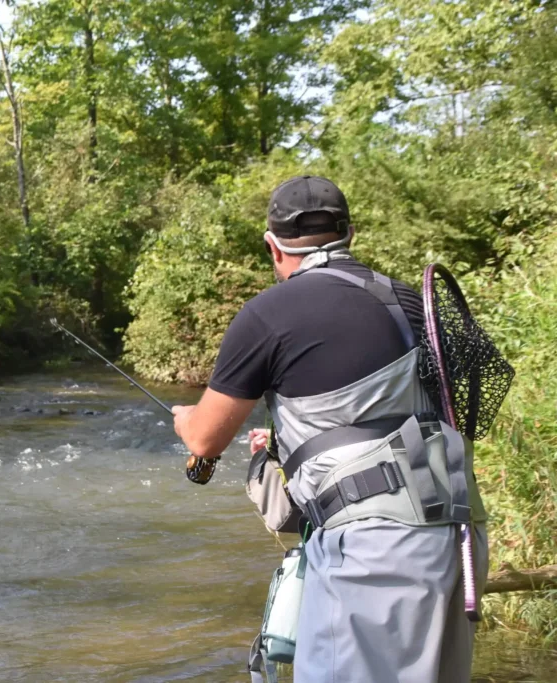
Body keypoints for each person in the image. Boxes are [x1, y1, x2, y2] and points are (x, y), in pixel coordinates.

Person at [171, 175, 488, 683]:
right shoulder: (406, 301)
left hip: (374, 549)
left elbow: (205, 439)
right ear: (350, 235)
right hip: (459, 533)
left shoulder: (267, 315)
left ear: (272, 246)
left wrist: (187, 421)